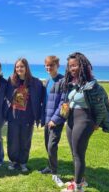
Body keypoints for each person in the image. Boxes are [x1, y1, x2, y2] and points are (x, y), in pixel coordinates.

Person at [61, 52, 109, 192]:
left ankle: (77, 187)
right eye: (70, 66)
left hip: (84, 120)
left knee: (78, 154)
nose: (72, 68)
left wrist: (96, 123)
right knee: (74, 153)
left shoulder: (92, 86)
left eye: (75, 65)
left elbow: (102, 108)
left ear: (82, 66)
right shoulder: (72, 83)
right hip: (71, 120)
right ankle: (81, 180)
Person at [5, 57, 44, 172]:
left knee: (25, 140)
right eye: (17, 67)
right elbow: (6, 96)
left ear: (26, 68)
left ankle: (23, 162)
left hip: (28, 117)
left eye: (22, 66)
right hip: (13, 116)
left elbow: (41, 99)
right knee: (13, 140)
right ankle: (13, 161)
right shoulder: (11, 80)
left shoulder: (35, 82)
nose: (19, 69)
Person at [40, 56, 66, 187]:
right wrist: (43, 119)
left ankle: (55, 173)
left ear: (57, 66)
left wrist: (55, 120)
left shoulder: (63, 81)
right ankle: (49, 167)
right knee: (47, 145)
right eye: (47, 66)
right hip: (47, 120)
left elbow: (64, 103)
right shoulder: (48, 80)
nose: (49, 68)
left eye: (52, 65)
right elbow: (45, 101)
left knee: (52, 146)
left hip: (56, 122)